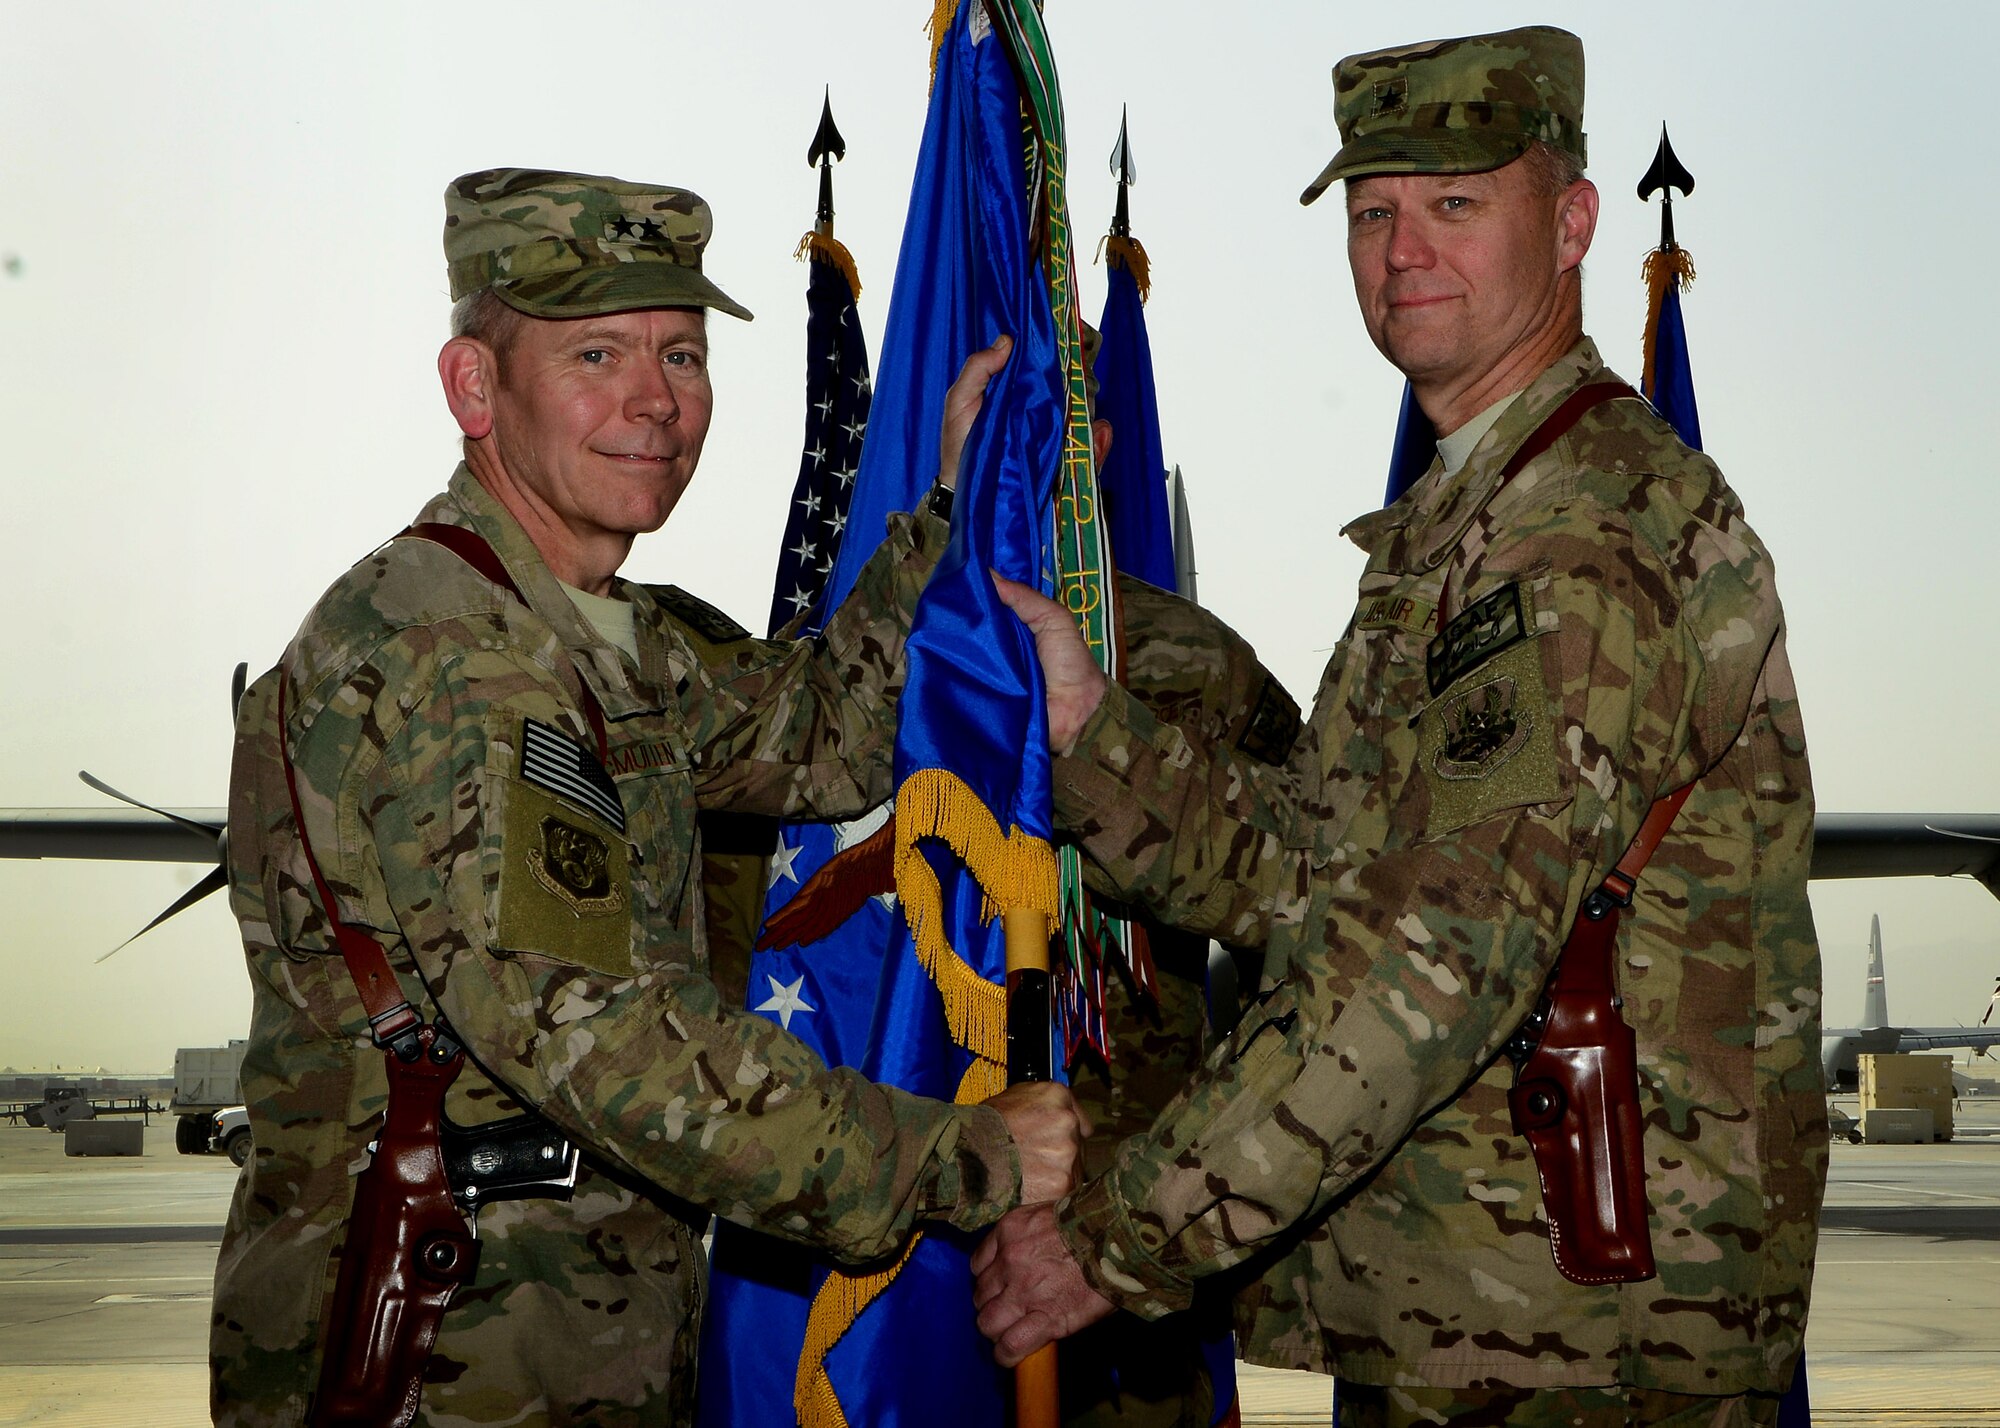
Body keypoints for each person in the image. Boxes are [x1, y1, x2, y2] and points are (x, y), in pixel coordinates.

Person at [974, 26, 1824, 1428]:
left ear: (1571, 226)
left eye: (1453, 203)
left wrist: (1119, 1237)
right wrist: (1082, 728)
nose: (1401, 248)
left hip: (1583, 1356)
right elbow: (1312, 872)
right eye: (1372, 211)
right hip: (1476, 1325)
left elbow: (1426, 964)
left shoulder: (1587, 534)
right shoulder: (1472, 523)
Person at [210, 167, 1085, 1427]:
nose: (654, 402)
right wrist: (963, 1154)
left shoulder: (598, 640)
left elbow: (824, 738)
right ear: (474, 387)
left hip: (564, 1349)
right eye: (596, 354)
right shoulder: (459, 654)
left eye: (681, 354)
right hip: (454, 1373)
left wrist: (947, 504)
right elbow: (604, 1038)